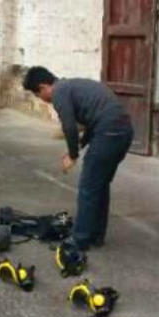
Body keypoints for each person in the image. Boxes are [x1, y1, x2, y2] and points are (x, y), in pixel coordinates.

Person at [23, 67, 134, 250]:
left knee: (88, 187)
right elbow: (95, 119)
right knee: (99, 185)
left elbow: (69, 127)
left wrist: (73, 155)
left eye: (37, 95)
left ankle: (79, 240)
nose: (41, 99)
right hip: (123, 132)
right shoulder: (72, 85)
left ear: (43, 87)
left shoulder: (59, 93)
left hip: (109, 133)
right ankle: (95, 236)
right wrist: (80, 145)